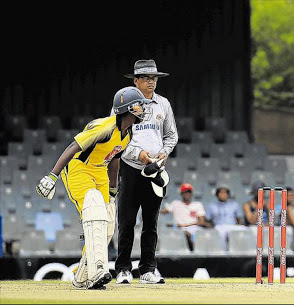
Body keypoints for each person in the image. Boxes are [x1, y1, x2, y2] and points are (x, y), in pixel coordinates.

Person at [35, 86, 149, 290]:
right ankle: (98, 271)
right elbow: (72, 147)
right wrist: (53, 176)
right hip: (79, 169)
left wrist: (113, 191)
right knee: (94, 205)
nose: (142, 109)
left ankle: (82, 277)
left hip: (99, 172)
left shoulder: (128, 134)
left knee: (107, 226)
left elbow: (114, 159)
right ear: (127, 108)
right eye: (139, 106)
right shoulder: (105, 128)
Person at [114, 59, 178, 285]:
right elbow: (116, 138)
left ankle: (148, 270)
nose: (152, 82)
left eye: (154, 78)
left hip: (155, 171)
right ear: (136, 81)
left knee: (151, 223)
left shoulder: (163, 104)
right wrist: (138, 153)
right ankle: (122, 269)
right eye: (147, 78)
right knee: (127, 222)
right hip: (131, 170)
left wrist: (163, 154)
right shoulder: (123, 102)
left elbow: (171, 135)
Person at [160, 183, 211, 251]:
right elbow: (164, 211)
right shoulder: (175, 203)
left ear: (191, 193)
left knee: (205, 235)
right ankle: (192, 251)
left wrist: (185, 225)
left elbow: (201, 221)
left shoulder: (197, 204)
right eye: (185, 192)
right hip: (179, 229)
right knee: (185, 234)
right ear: (181, 193)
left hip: (194, 228)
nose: (187, 194)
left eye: (188, 192)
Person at [205, 185, 246, 250]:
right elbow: (207, 220)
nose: (223, 195)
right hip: (219, 226)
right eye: (221, 193)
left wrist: (239, 225)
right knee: (221, 233)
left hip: (233, 225)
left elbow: (239, 220)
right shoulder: (211, 206)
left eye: (225, 193)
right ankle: (223, 253)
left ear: (228, 195)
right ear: (217, 194)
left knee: (244, 229)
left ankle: (242, 251)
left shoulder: (235, 204)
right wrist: (211, 227)